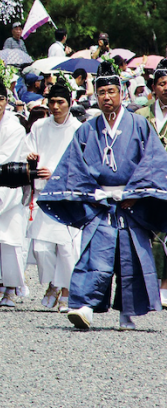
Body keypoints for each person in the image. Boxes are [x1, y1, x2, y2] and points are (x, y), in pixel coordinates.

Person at [40, 60, 167, 330]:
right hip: (100, 203)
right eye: (101, 93)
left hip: (131, 202)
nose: (106, 97)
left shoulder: (140, 125)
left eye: (111, 91)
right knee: (93, 256)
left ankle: (127, 315)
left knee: (130, 258)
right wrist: (92, 193)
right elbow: (75, 165)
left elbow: (153, 161)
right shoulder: (87, 130)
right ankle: (84, 307)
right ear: (95, 96)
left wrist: (136, 192)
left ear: (121, 92)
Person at [25, 81, 82, 312]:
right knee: (41, 248)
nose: (56, 107)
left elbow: (81, 163)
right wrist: (28, 156)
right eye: (53, 102)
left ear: (70, 103)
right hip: (43, 193)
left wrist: (56, 174)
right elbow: (26, 147)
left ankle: (66, 291)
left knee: (67, 247)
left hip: (66, 194)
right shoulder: (39, 126)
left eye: (61, 102)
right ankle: (53, 284)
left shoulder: (78, 128)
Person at [0, 75, 31, 307]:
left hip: (9, 187)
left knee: (10, 240)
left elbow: (5, 158)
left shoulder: (15, 127)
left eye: (1, 98)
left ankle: (11, 289)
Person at [136, 58, 167, 307]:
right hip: (148, 179)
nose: (166, 87)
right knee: (150, 233)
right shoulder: (141, 114)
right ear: (153, 87)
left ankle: (166, 285)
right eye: (162, 83)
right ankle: (151, 283)